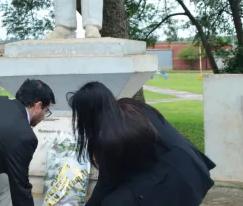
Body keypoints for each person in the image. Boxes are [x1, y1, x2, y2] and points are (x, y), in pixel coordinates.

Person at [68, 82, 216, 205]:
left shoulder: (108, 136)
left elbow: (107, 182)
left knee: (112, 203)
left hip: (175, 180)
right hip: (195, 169)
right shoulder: (133, 106)